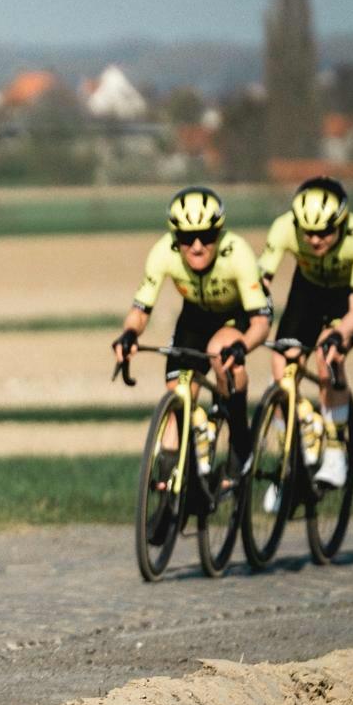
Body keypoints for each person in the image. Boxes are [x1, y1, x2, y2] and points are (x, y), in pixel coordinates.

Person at [110, 185, 269, 488]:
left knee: (222, 355)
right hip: (195, 315)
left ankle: (239, 440)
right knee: (178, 392)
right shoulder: (162, 253)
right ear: (175, 237)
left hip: (239, 313)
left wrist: (243, 345)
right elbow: (141, 309)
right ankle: (171, 491)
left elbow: (262, 324)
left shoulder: (237, 253)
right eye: (186, 237)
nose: (196, 246)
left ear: (219, 233)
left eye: (206, 236)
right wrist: (129, 334)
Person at [256, 175, 353, 490]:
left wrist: (340, 334)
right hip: (308, 290)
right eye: (307, 232)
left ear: (342, 222)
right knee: (281, 366)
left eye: (324, 232)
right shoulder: (284, 228)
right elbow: (260, 283)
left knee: (328, 355)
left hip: (348, 298)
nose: (314, 240)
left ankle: (336, 450)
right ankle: (291, 458)